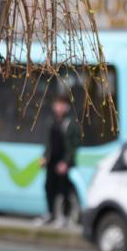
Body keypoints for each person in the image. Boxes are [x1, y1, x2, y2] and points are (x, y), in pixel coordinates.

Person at [40, 89, 80, 226]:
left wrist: (66, 162)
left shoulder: (70, 124)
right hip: (52, 161)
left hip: (63, 163)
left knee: (63, 190)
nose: (59, 107)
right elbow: (48, 143)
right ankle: (50, 214)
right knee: (48, 187)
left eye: (62, 104)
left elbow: (73, 146)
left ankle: (63, 216)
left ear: (66, 106)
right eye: (57, 104)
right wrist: (44, 157)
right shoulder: (51, 122)